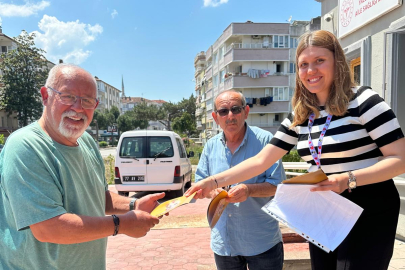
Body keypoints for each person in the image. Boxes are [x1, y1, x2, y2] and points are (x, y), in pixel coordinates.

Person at [186, 30, 405, 270]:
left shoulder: (364, 101)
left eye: (319, 61)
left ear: (337, 62)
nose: (311, 71)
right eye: (303, 64)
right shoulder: (302, 113)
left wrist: (347, 179)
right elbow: (261, 161)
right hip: (323, 207)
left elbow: (400, 159)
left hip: (368, 206)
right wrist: (213, 181)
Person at [0, 64, 163, 270]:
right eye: (67, 96)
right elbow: (48, 227)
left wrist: (133, 206)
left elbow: (97, 196)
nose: (77, 108)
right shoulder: (25, 146)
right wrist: (122, 224)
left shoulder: (85, 141)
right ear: (45, 96)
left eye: (87, 100)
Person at [195, 90, 286, 270]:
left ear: (246, 112)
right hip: (225, 242)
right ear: (215, 117)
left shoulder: (265, 142)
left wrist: (248, 190)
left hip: (262, 240)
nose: (230, 116)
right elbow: (201, 181)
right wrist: (214, 192)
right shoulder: (210, 146)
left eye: (236, 109)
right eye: (223, 111)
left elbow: (277, 186)